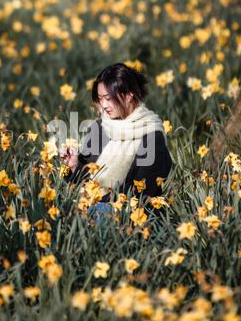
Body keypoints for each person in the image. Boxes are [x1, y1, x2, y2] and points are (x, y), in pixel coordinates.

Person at [60, 62, 173, 215]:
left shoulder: (152, 137)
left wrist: (95, 200)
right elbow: (82, 181)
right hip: (91, 205)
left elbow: (140, 194)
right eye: (100, 98)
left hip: (129, 217)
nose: (103, 105)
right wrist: (74, 166)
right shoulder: (100, 126)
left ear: (128, 95)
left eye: (108, 98)